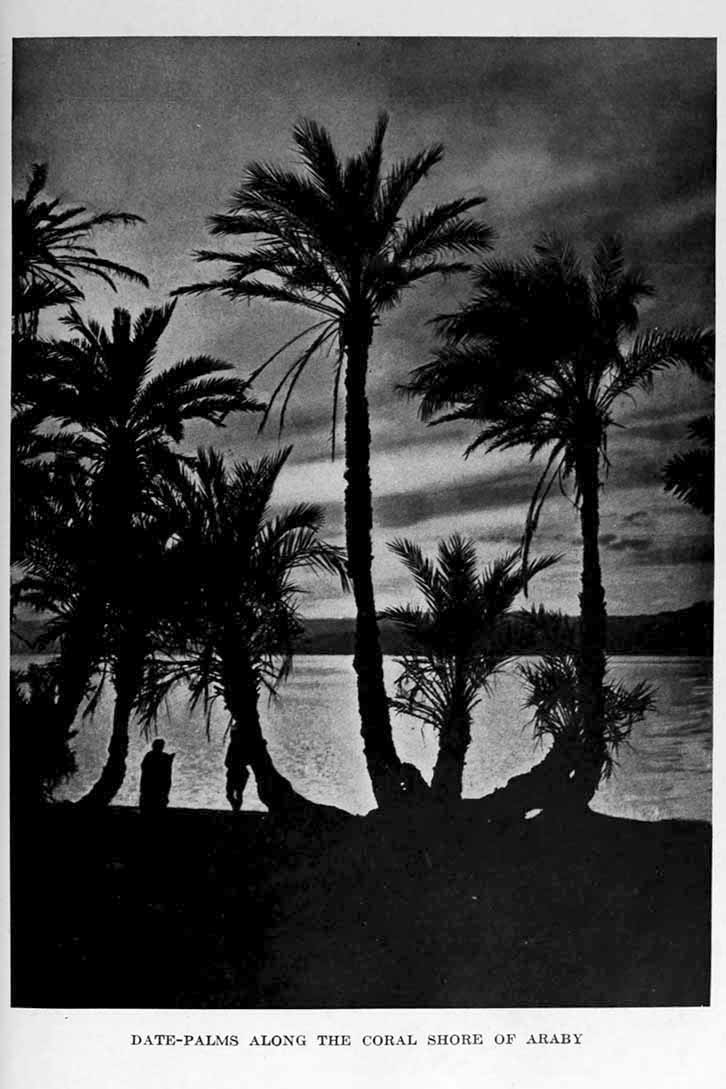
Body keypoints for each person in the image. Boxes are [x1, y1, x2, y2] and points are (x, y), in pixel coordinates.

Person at [139, 738, 174, 813]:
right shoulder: (163, 757)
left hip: (151, 787)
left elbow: (144, 769)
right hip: (156, 787)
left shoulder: (149, 755)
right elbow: (167, 775)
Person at [224, 728, 250, 813]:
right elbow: (227, 762)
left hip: (238, 773)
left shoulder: (239, 746)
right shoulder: (233, 746)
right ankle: (236, 808)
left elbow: (227, 762)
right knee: (232, 793)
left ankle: (236, 809)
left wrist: (235, 764)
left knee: (236, 793)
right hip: (237, 772)